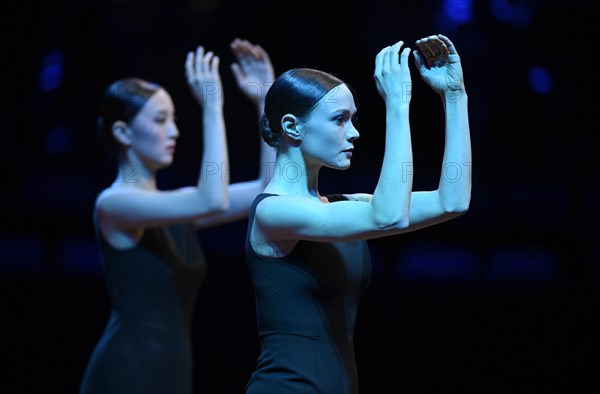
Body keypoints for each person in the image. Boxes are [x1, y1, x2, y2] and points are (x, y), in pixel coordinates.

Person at [244, 34, 471, 393]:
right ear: (292, 127)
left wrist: (455, 96)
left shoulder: (344, 203)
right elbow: (389, 216)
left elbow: (452, 201)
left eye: (353, 119)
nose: (354, 132)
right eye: (339, 120)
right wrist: (398, 105)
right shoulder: (273, 214)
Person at [79, 38, 275, 394]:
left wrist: (265, 99)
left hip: (173, 369)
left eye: (174, 119)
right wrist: (213, 107)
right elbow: (212, 200)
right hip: (127, 370)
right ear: (122, 132)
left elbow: (267, 188)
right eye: (160, 120)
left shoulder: (177, 207)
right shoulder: (114, 204)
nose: (174, 131)